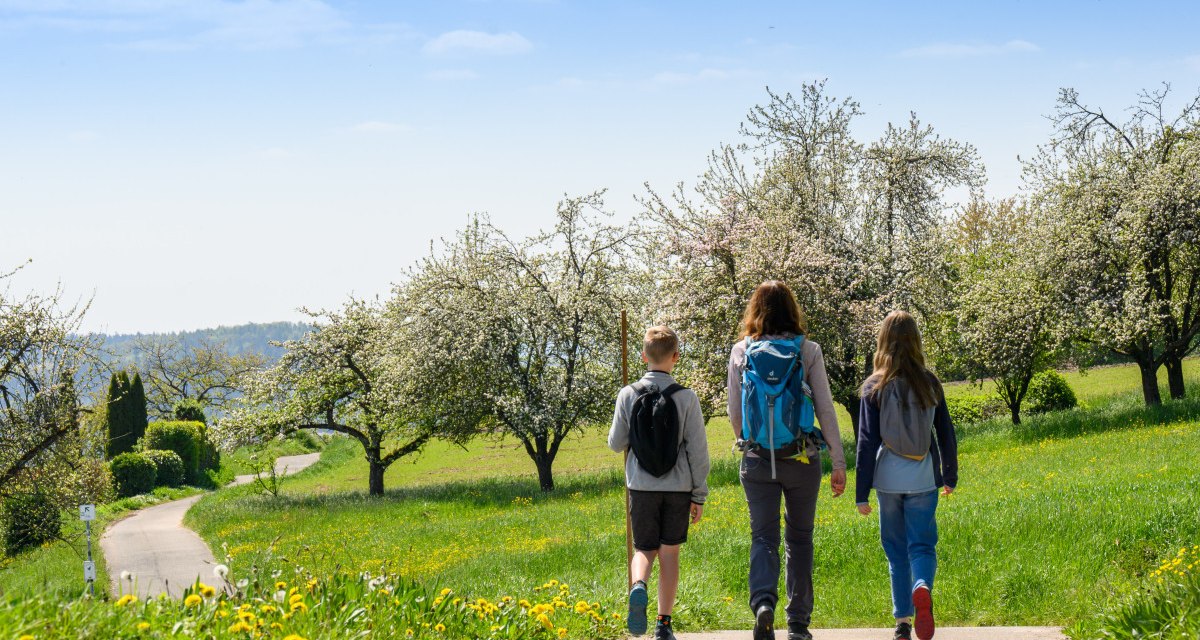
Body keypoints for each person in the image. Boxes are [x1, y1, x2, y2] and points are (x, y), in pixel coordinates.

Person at [728, 281, 847, 640]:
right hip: (801, 459)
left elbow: (736, 413)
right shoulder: (808, 350)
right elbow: (825, 409)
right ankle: (798, 623)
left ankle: (764, 603)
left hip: (758, 459)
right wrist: (838, 462)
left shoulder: (740, 351)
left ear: (755, 311)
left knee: (763, 537)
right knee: (800, 539)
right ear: (793, 310)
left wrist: (750, 445)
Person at [855, 310, 959, 640]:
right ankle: (922, 585)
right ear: (916, 341)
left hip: (887, 479)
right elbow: (945, 432)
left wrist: (861, 492)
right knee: (923, 547)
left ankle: (902, 622)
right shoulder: (930, 383)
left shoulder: (874, 386)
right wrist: (949, 475)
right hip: (922, 478)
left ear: (882, 342)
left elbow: (867, 441)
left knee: (896, 551)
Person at [608, 325, 710, 640]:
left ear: (643, 356)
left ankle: (638, 585)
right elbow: (698, 452)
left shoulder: (628, 394)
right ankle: (663, 625)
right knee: (669, 554)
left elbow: (615, 443)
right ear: (675, 357)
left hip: (641, 487)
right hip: (678, 489)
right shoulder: (687, 397)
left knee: (643, 550)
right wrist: (699, 494)